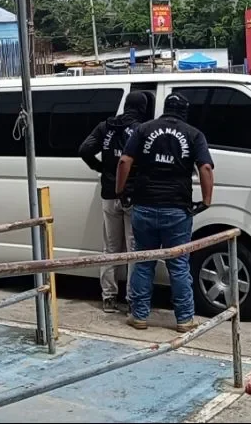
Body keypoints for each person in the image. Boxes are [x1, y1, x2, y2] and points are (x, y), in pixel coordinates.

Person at [115, 93, 214, 332]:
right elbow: (206, 167)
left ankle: (139, 316)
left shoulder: (144, 130)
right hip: (177, 209)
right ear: (183, 112)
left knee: (143, 262)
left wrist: (121, 191)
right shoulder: (193, 134)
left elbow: (124, 161)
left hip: (145, 206)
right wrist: (207, 200)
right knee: (179, 265)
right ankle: (184, 319)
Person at [78, 92, 149, 313]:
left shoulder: (105, 127)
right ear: (141, 109)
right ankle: (131, 299)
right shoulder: (141, 130)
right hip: (132, 195)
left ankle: (108, 297)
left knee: (110, 247)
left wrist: (101, 168)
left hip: (109, 194)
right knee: (133, 249)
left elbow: (84, 150)